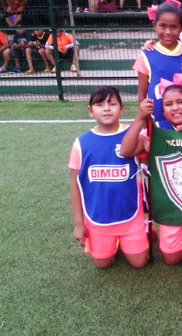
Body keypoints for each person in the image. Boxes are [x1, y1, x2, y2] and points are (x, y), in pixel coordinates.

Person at [121, 81, 182, 266]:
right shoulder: (157, 129)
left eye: (181, 102)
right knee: (172, 259)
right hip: (171, 207)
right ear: (163, 111)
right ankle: (179, 236)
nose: (175, 108)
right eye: (168, 104)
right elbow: (126, 151)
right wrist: (140, 117)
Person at [68, 87, 149, 269]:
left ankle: (141, 231)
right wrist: (79, 224)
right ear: (90, 111)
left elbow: (147, 168)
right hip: (98, 219)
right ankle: (111, 243)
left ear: (122, 109)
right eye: (99, 104)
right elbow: (75, 186)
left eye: (112, 104)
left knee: (140, 263)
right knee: (102, 264)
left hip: (131, 216)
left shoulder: (134, 134)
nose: (106, 108)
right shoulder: (81, 144)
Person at [133, 2, 182, 120]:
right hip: (158, 122)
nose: (168, 32)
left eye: (173, 27)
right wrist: (144, 121)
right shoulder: (146, 55)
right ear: (154, 25)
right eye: (162, 26)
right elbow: (142, 94)